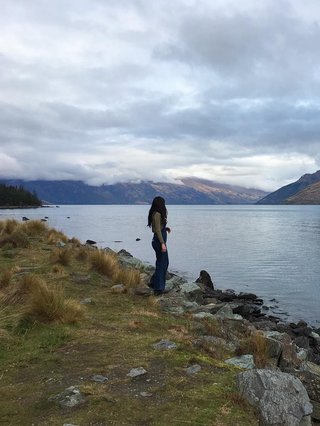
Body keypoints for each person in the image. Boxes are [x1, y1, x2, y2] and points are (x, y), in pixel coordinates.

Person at [147, 196, 171, 295]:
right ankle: (158, 288)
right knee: (163, 264)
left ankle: (153, 283)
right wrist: (162, 244)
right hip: (158, 241)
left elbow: (159, 227)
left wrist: (165, 228)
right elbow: (157, 230)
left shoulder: (158, 214)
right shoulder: (157, 214)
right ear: (160, 204)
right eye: (163, 203)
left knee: (161, 263)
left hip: (158, 241)